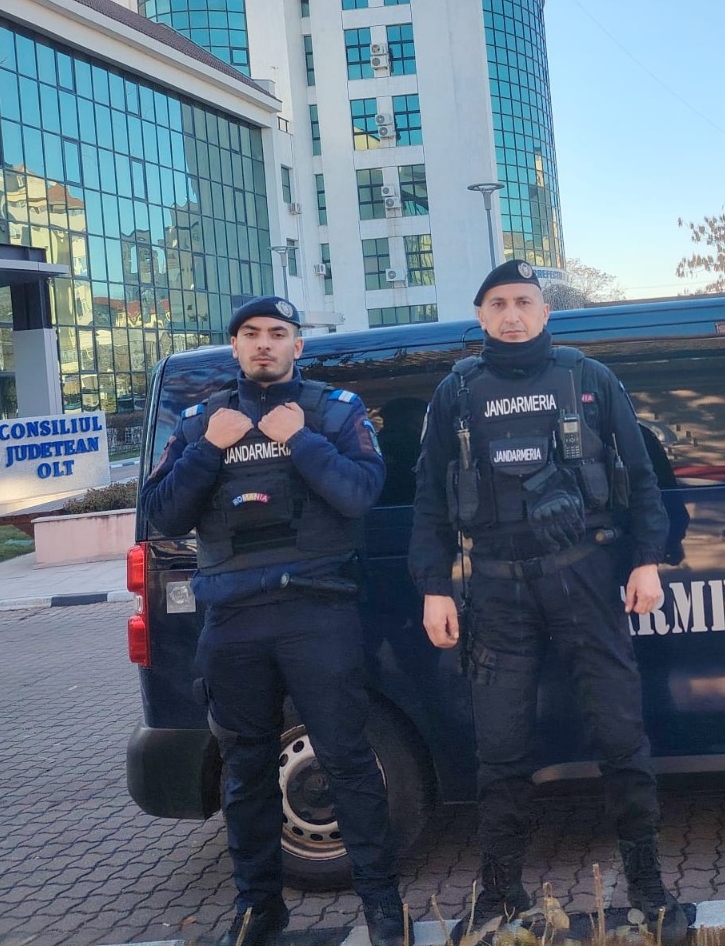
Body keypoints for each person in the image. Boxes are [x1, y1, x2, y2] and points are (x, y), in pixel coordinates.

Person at [408, 259, 688, 943]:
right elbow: (429, 501)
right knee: (500, 748)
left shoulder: (588, 378)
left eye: (524, 302)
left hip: (584, 576)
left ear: (544, 311)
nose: (512, 315)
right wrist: (434, 588)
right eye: (498, 304)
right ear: (481, 316)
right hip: (495, 589)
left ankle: (647, 888)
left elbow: (643, 478)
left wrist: (647, 560)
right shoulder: (456, 392)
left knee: (620, 732)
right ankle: (502, 894)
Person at [140, 297, 407, 946]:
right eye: (252, 334)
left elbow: (359, 494)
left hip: (317, 614)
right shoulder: (202, 422)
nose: (265, 343)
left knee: (348, 762)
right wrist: (210, 448)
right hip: (233, 620)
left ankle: (382, 907)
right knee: (245, 773)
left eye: (278, 333)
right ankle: (259, 910)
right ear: (235, 346)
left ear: (297, 346)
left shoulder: (333, 412)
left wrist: (300, 439)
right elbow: (162, 515)